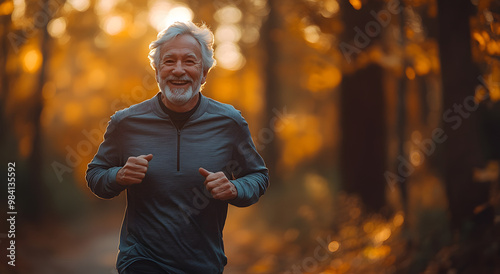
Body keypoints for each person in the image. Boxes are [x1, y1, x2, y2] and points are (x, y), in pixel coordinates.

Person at [86, 21, 269, 274]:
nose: (178, 70)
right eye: (169, 61)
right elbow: (95, 174)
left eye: (189, 61)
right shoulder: (126, 122)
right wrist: (118, 176)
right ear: (157, 71)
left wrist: (234, 188)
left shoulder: (229, 121)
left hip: (204, 263)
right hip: (141, 259)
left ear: (204, 72)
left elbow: (258, 176)